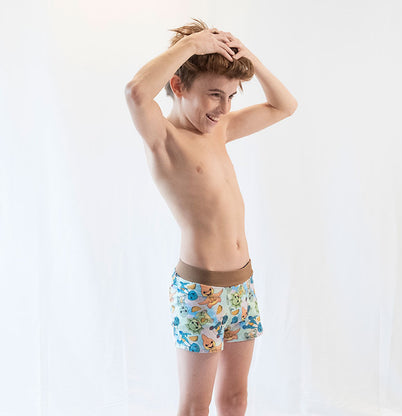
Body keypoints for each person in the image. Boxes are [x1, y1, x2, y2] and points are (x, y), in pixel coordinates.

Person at [125, 17, 297, 416]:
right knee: (195, 405)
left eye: (232, 96)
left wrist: (247, 56)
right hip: (201, 293)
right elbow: (135, 92)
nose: (223, 108)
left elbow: (285, 106)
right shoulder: (164, 140)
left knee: (236, 398)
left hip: (243, 285)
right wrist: (190, 46)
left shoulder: (218, 130)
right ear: (178, 85)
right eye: (214, 94)